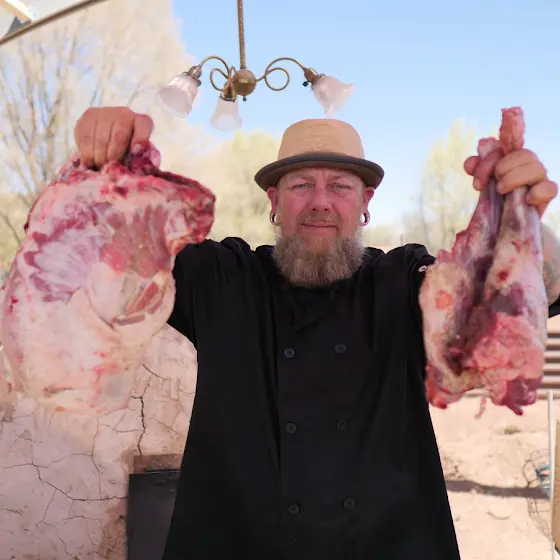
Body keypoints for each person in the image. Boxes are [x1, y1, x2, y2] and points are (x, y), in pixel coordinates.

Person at [74, 107, 560, 560]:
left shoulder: (403, 281)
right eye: (301, 185)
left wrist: (523, 219)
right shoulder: (223, 278)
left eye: (340, 186)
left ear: (365, 203)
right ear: (275, 202)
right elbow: (103, 247)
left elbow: (514, 295)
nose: (320, 203)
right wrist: (100, 165)